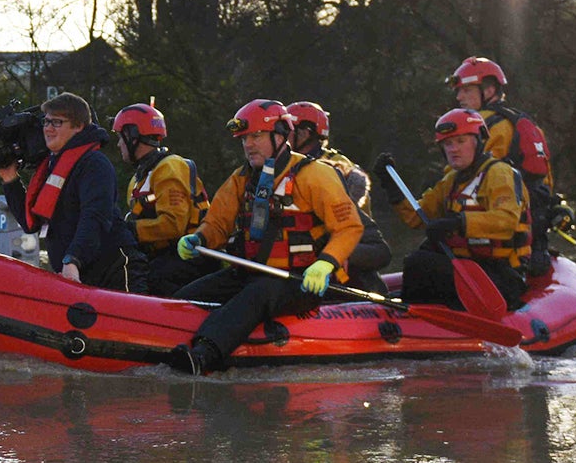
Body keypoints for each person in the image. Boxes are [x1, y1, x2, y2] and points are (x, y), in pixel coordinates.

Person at [166, 99, 364, 374]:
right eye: (244, 138)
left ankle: (204, 355)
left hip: (301, 280)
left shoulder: (315, 174)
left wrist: (326, 263)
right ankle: (162, 340)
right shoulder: (241, 178)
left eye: (256, 136)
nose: (248, 144)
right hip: (252, 271)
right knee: (189, 295)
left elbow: (349, 227)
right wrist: (200, 239)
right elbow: (218, 223)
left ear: (281, 135)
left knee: (258, 294)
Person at [380, 107, 533, 311]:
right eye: (448, 144)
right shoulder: (451, 181)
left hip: (502, 274)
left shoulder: (499, 174)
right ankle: (413, 317)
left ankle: (418, 318)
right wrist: (392, 187)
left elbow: (506, 222)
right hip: (467, 267)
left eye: (461, 141)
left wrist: (458, 223)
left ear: (478, 141)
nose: (453, 149)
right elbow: (417, 217)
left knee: (420, 264)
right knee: (417, 260)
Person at [446, 56, 571, 272]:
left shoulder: (482, 127)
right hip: (534, 242)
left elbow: (456, 179)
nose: (459, 97)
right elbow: (546, 182)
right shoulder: (528, 125)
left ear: (489, 89)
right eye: (458, 91)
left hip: (493, 246)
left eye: (466, 90)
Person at [0, 93, 126, 290]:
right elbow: (30, 223)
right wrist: (10, 180)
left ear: (78, 126)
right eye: (46, 122)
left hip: (108, 274)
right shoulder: (51, 166)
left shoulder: (95, 164)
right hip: (70, 276)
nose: (47, 128)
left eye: (56, 122)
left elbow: (95, 218)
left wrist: (73, 259)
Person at [284, 100, 391, 290]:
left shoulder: (335, 166)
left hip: (345, 238)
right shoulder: (286, 167)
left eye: (288, 131)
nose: (282, 137)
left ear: (305, 133)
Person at [113, 101, 208, 296]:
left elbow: (174, 225)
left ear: (132, 136)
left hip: (191, 256)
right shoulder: (139, 178)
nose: (118, 144)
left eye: (120, 137)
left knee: (148, 278)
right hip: (162, 256)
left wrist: (130, 230)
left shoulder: (169, 168)